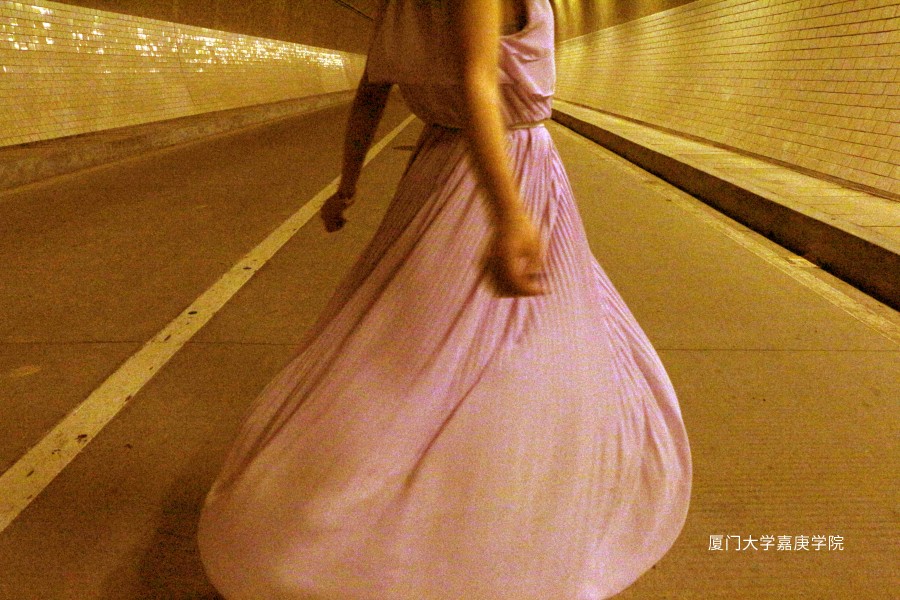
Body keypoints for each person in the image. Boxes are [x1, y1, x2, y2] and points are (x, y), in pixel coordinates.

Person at [197, 0, 692, 598]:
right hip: (510, 170)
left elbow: (370, 93)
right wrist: (507, 212)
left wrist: (349, 183)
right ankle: (479, 525)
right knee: (521, 352)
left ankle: (382, 502)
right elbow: (477, 80)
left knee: (404, 349)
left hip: (433, 170)